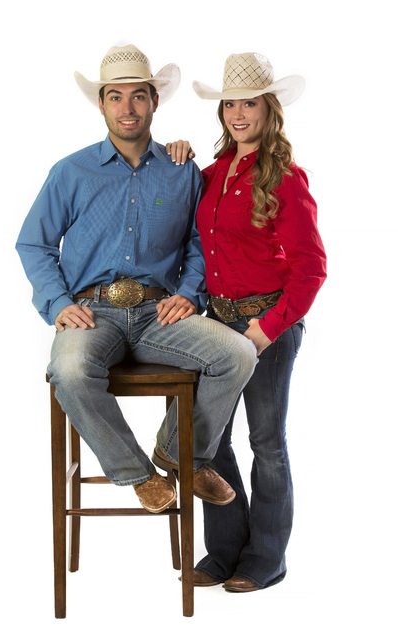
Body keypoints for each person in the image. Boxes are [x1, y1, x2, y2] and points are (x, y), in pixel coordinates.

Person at [16, 44, 257, 515]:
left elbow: (198, 243)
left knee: (238, 352)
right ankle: (139, 474)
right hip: (91, 312)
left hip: (157, 314)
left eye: (138, 96)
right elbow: (34, 244)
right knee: (68, 370)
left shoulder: (181, 169)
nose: (128, 109)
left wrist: (189, 294)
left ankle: (178, 452)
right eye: (115, 97)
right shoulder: (70, 171)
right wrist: (56, 302)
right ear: (102, 103)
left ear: (154, 101)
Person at [168, 51, 327, 591]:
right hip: (217, 324)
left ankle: (266, 558)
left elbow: (312, 267)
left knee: (267, 441)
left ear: (268, 108)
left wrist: (268, 328)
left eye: (249, 102)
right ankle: (225, 551)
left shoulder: (285, 177)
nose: (238, 112)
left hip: (268, 328)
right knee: (214, 440)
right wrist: (177, 154)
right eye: (229, 102)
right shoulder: (211, 175)